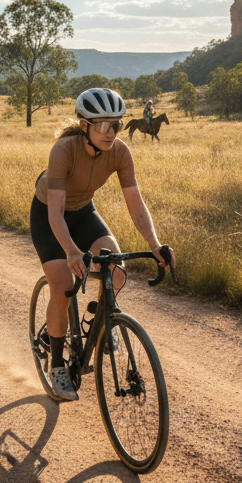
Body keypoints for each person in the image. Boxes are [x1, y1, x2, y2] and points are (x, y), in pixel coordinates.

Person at [30, 87, 175, 402]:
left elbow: (136, 205)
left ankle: (94, 323)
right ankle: (57, 365)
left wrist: (154, 244)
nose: (111, 132)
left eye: (116, 124)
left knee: (117, 269)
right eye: (102, 125)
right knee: (64, 284)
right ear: (84, 125)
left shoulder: (120, 151)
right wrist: (70, 251)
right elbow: (55, 213)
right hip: (49, 216)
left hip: (83, 213)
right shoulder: (64, 150)